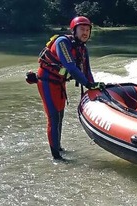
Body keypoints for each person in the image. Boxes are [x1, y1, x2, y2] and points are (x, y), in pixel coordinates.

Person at [35, 16, 104, 160]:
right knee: (53, 118)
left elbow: (87, 71)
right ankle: (56, 157)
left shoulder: (82, 49)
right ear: (74, 31)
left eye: (87, 30)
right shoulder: (62, 43)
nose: (85, 33)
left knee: (60, 116)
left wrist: (94, 88)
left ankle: (58, 148)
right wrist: (87, 84)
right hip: (46, 82)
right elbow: (71, 68)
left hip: (59, 83)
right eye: (82, 29)